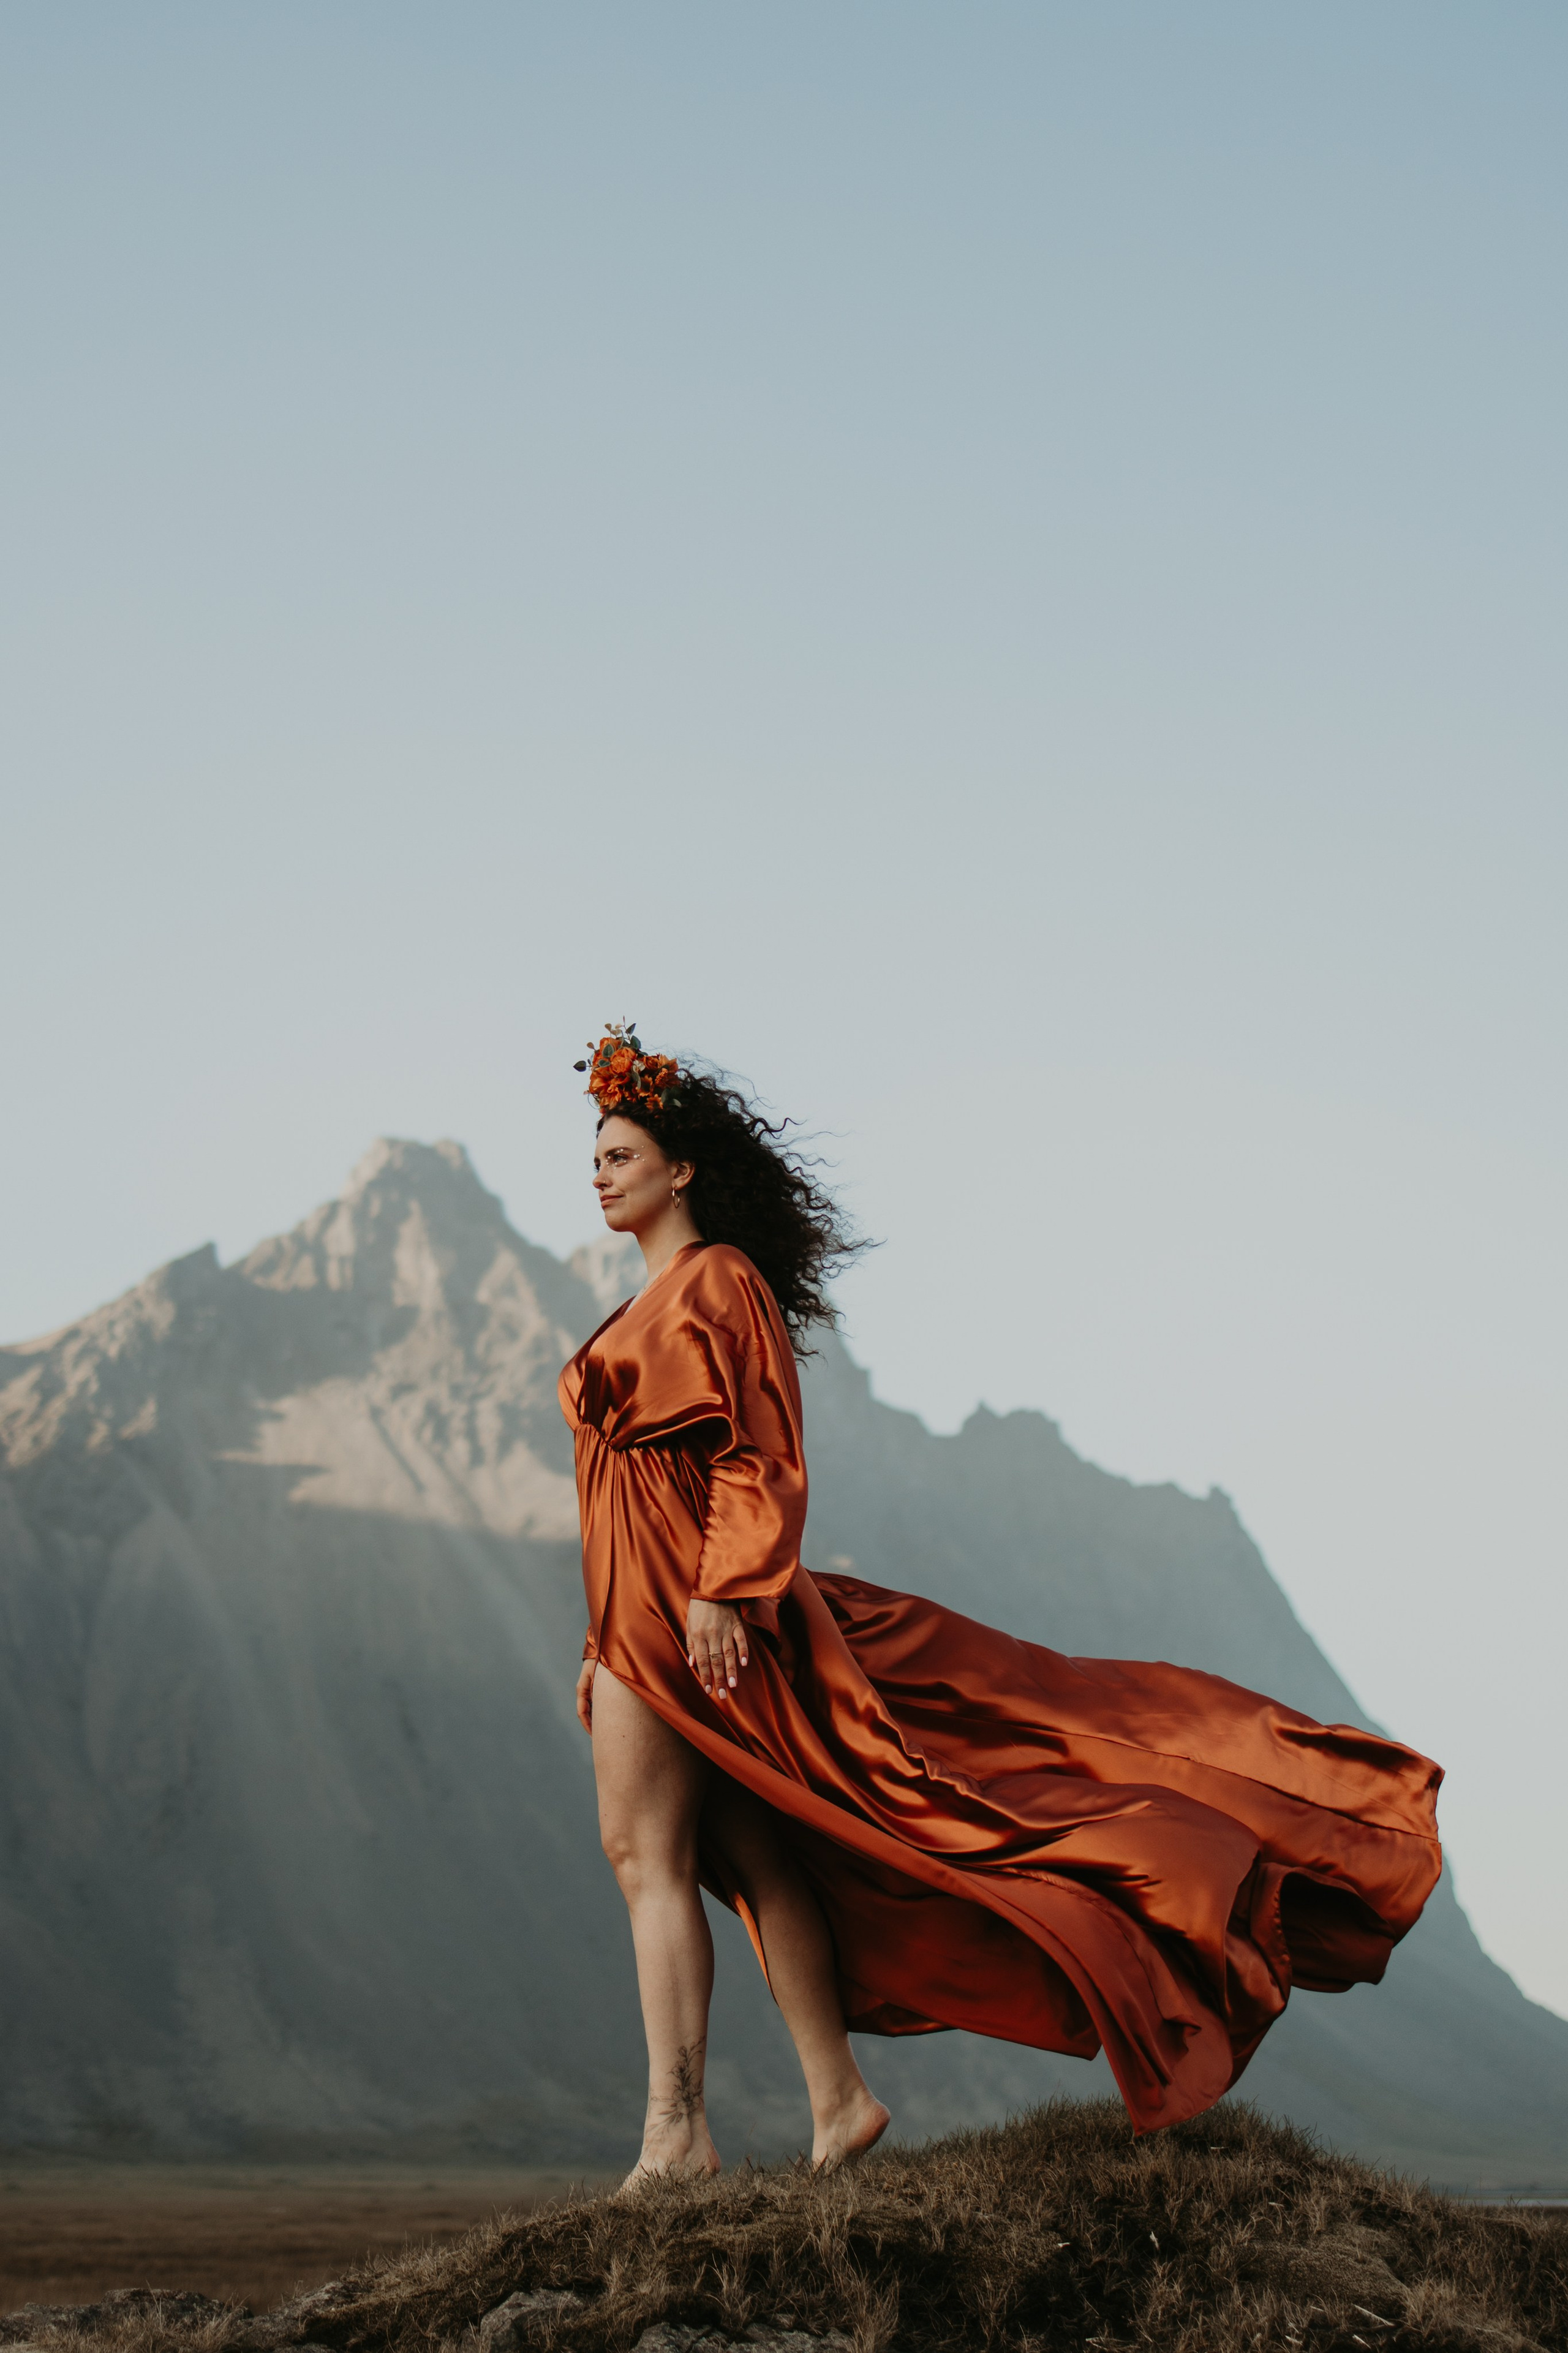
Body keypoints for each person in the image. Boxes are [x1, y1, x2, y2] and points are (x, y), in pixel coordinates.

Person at [559, 1026, 1442, 2185]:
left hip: (687, 1618)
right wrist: (599, 1635)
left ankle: (677, 2137)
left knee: (647, 1855)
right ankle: (837, 2104)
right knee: (759, 1855)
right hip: (644, 1616)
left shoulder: (719, 1281)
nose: (600, 1168)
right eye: (597, 1153)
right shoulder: (655, 1300)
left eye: (622, 1150)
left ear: (682, 1170)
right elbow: (619, 1498)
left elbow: (760, 1451)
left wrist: (725, 1588)